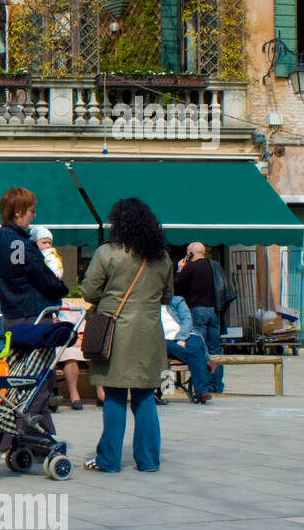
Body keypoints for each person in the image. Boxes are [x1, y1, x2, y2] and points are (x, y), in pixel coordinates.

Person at [81, 198, 175, 473]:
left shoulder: (107, 253)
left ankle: (109, 460)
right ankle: (148, 460)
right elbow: (167, 296)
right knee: (145, 397)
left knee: (114, 396)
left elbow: (89, 291)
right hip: (149, 333)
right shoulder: (162, 257)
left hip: (115, 332)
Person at [0, 187, 69, 433]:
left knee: (22, 379)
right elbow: (35, 277)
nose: (34, 216)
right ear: (17, 212)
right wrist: (60, 288)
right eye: (31, 211)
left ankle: (40, 441)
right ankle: (21, 435)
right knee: (38, 381)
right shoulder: (18, 245)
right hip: (33, 318)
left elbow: (14, 277)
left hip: (12, 317)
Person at [174, 242, 224, 394]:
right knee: (215, 349)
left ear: (190, 253)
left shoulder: (190, 268)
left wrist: (179, 270)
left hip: (198, 310)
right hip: (215, 310)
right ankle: (217, 385)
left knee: (200, 349)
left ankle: (204, 385)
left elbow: (175, 286)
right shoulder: (215, 265)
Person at [163, 295, 216, 404]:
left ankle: (201, 392)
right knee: (195, 354)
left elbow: (187, 320)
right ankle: (202, 388)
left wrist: (181, 338)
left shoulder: (176, 301)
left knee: (196, 344)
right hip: (164, 340)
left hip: (185, 335)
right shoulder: (147, 305)